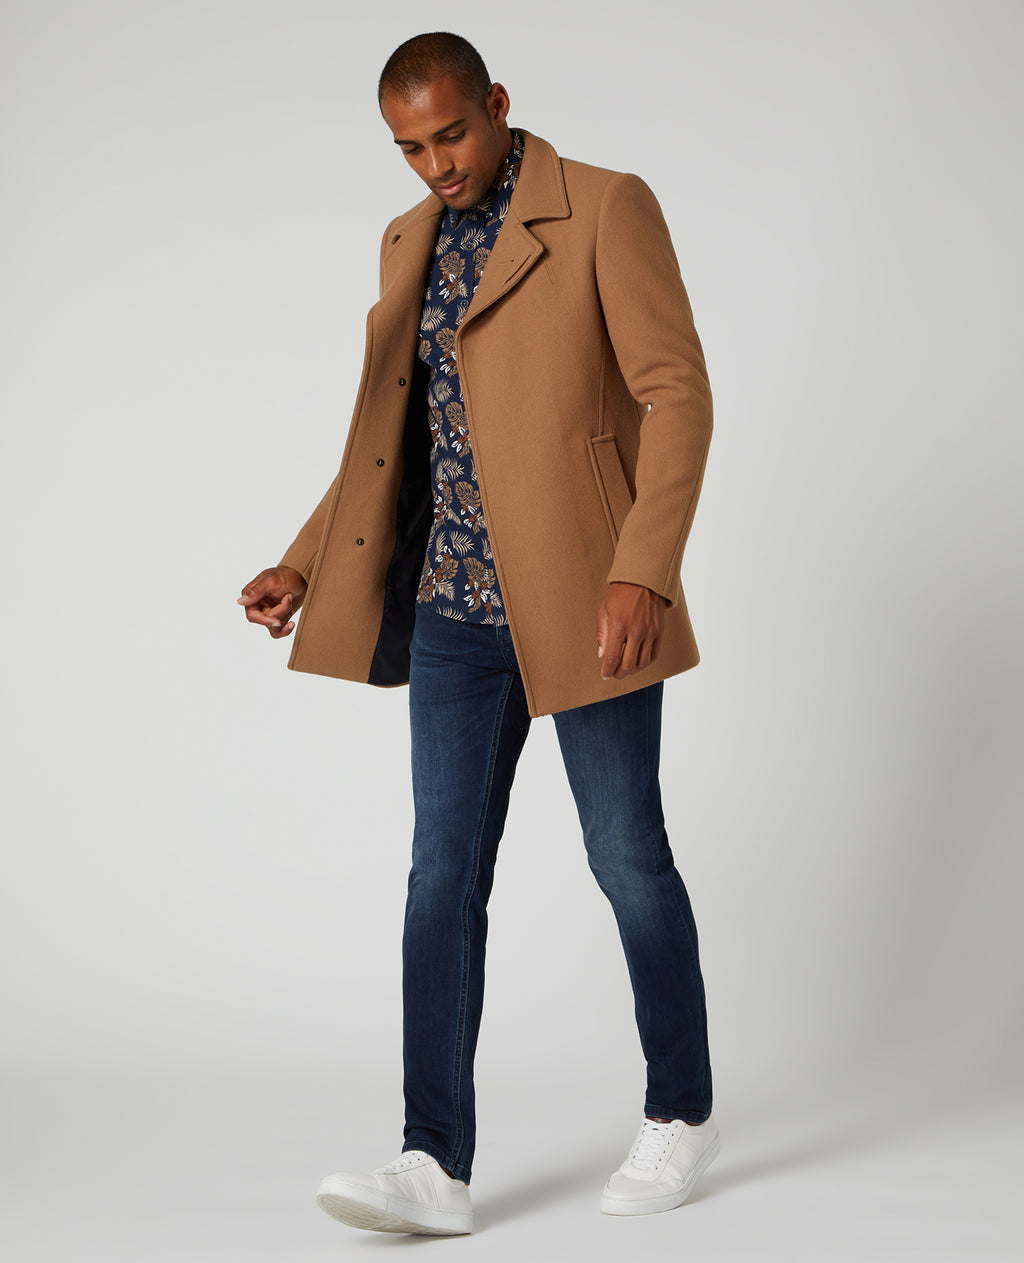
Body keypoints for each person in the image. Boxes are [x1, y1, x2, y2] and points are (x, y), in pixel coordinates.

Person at [238, 31, 717, 1237]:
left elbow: (676, 394)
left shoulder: (602, 206)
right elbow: (390, 446)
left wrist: (641, 569)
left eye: (450, 133)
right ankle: (431, 1161)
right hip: (451, 609)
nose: (435, 163)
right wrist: (303, 560)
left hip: (585, 597)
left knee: (626, 855)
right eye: (409, 147)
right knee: (439, 875)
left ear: (497, 104)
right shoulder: (409, 240)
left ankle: (679, 1109)